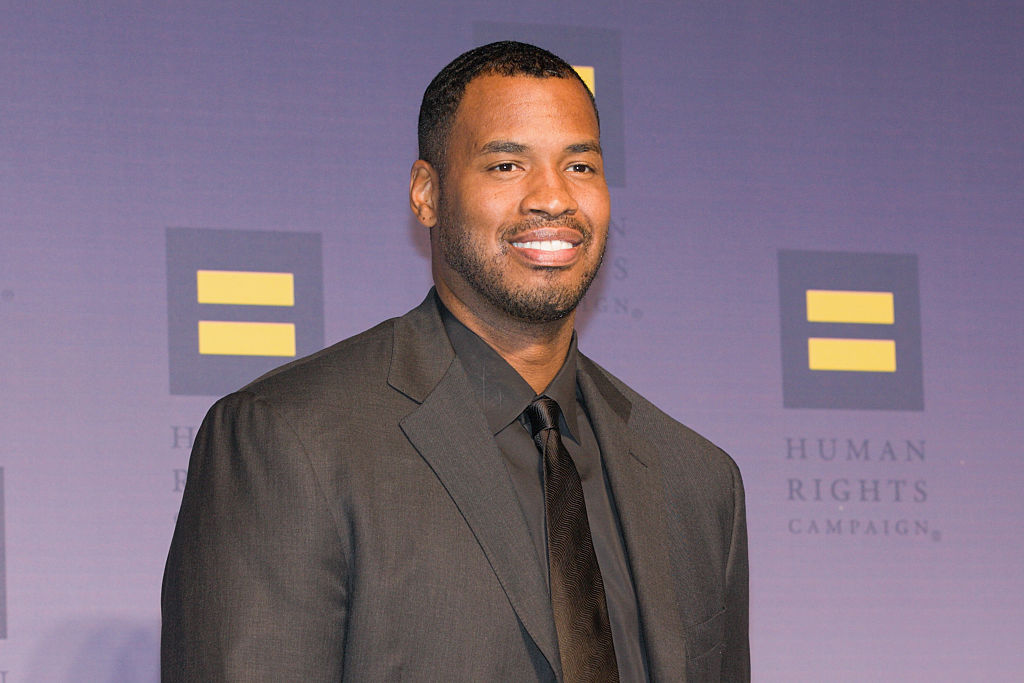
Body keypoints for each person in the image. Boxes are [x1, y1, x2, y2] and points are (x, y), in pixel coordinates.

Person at [162, 41, 749, 682]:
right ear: (427, 194)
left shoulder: (697, 481)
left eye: (580, 166)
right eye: (505, 166)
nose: (552, 198)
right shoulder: (287, 439)